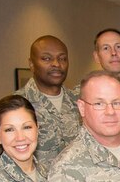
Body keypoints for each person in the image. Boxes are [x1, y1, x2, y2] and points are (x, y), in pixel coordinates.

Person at [16, 35, 81, 165]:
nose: (56, 64)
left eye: (62, 59)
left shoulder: (80, 102)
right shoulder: (17, 105)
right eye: (47, 58)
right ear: (31, 64)